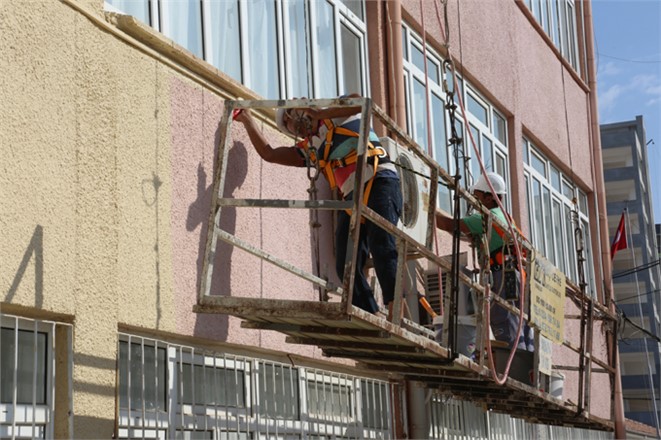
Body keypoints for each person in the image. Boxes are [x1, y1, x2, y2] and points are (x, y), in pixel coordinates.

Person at [234, 95, 402, 315]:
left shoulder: (339, 115)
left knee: (381, 244)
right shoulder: (311, 148)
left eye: (293, 114)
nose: (293, 121)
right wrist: (247, 118)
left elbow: (360, 101)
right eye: (288, 123)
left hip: (379, 181)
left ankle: (395, 311)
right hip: (352, 199)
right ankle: (370, 314)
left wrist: (321, 114)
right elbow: (270, 154)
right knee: (345, 265)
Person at [434, 172, 533, 351]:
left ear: (489, 197)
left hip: (503, 275)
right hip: (516, 276)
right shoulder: (506, 218)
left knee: (505, 323)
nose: (474, 202)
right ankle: (523, 367)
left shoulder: (486, 216)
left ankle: (512, 365)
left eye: (477, 196)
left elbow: (449, 225)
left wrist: (427, 207)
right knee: (520, 326)